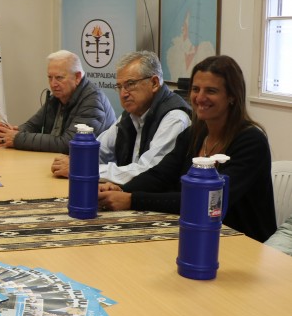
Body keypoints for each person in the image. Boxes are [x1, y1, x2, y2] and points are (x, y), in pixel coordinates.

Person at [98, 55, 277, 243]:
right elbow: (160, 176)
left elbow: (206, 201)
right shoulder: (194, 134)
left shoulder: (251, 142)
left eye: (211, 91)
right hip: (197, 234)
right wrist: (121, 189)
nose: (200, 98)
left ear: (232, 96)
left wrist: (132, 199)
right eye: (196, 89)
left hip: (243, 243)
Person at [51, 51, 191, 184]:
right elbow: (100, 150)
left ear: (154, 83)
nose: (123, 94)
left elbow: (147, 171)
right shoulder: (131, 114)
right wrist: (77, 161)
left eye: (130, 84)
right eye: (119, 86)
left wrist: (83, 169)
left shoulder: (175, 118)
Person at [0, 50, 115, 153]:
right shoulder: (57, 97)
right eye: (50, 78)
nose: (53, 84)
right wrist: (8, 132)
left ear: (77, 77)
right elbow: (33, 125)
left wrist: (17, 138)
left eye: (59, 78)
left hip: (92, 168)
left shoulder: (93, 101)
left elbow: (69, 144)